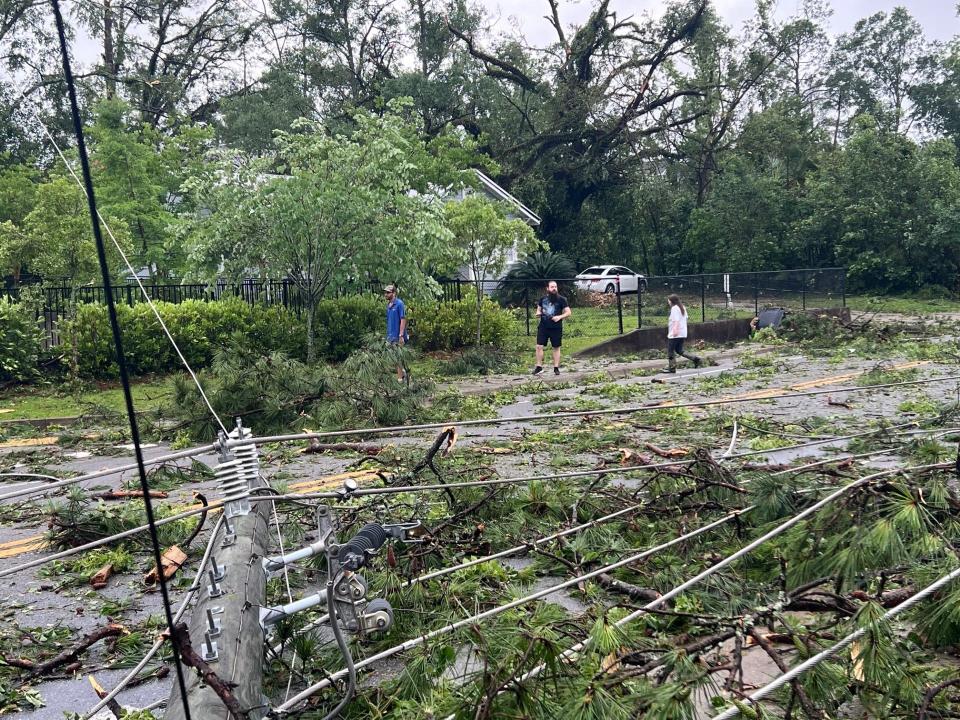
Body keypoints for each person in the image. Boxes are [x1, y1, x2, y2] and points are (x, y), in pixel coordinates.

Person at [533, 280, 571, 376]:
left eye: (555, 287)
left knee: (556, 347)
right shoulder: (542, 299)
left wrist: (559, 317)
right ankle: (539, 367)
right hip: (543, 327)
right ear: (548, 288)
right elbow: (538, 310)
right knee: (539, 346)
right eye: (552, 287)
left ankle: (556, 368)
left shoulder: (562, 299)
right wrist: (538, 313)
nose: (554, 289)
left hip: (556, 328)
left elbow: (568, 312)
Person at [665, 294, 702, 373]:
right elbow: (685, 319)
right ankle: (695, 359)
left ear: (671, 301)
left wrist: (675, 331)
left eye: (668, 300)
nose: (668, 302)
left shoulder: (674, 308)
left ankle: (672, 368)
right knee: (679, 350)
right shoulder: (682, 307)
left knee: (670, 351)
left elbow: (676, 321)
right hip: (682, 333)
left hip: (675, 333)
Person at [384, 284, 408, 382]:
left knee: (398, 357)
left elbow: (403, 319)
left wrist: (401, 335)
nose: (386, 294)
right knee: (393, 358)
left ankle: (400, 379)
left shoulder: (399, 304)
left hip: (398, 335)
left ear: (394, 293)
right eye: (385, 293)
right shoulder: (389, 305)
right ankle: (403, 373)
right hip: (390, 335)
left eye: (388, 292)